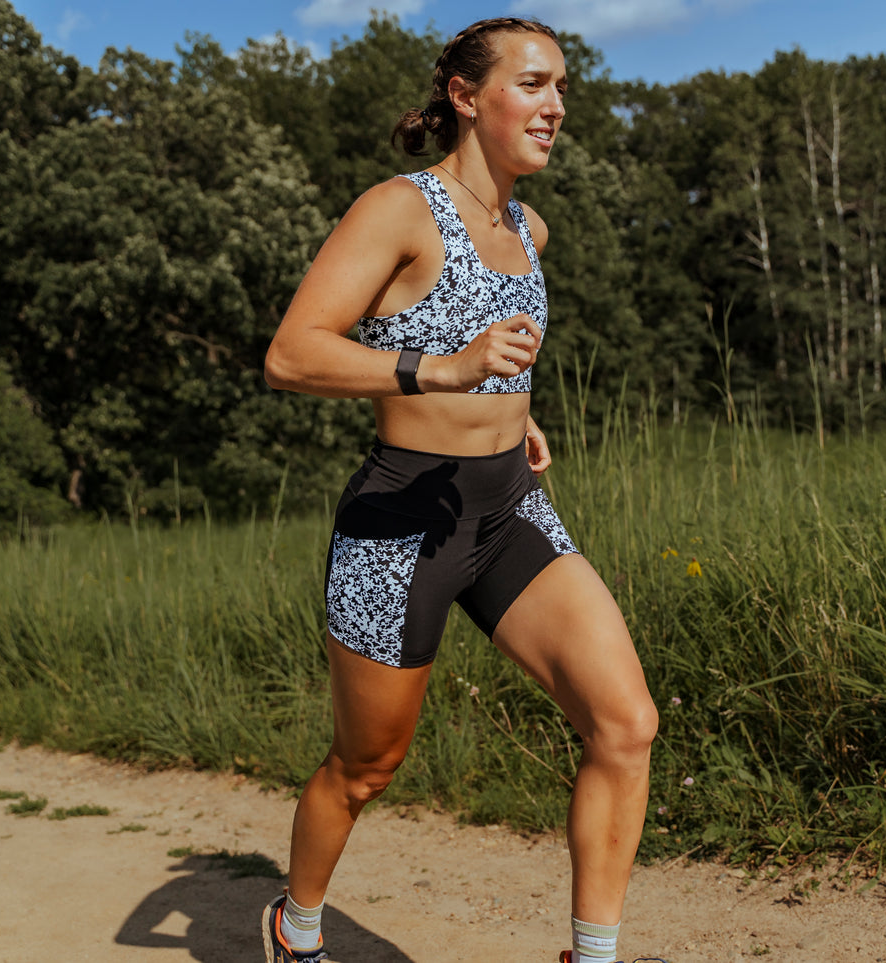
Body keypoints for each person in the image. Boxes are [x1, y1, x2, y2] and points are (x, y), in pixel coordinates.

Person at [261, 17, 664, 963]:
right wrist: (441, 372)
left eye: (560, 85)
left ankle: (591, 956)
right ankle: (296, 925)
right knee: (367, 767)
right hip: (401, 521)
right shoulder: (399, 209)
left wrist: (512, 410)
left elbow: (497, 349)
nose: (555, 104)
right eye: (530, 84)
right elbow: (292, 353)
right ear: (464, 97)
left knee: (625, 723)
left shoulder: (530, 225)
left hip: (506, 507)